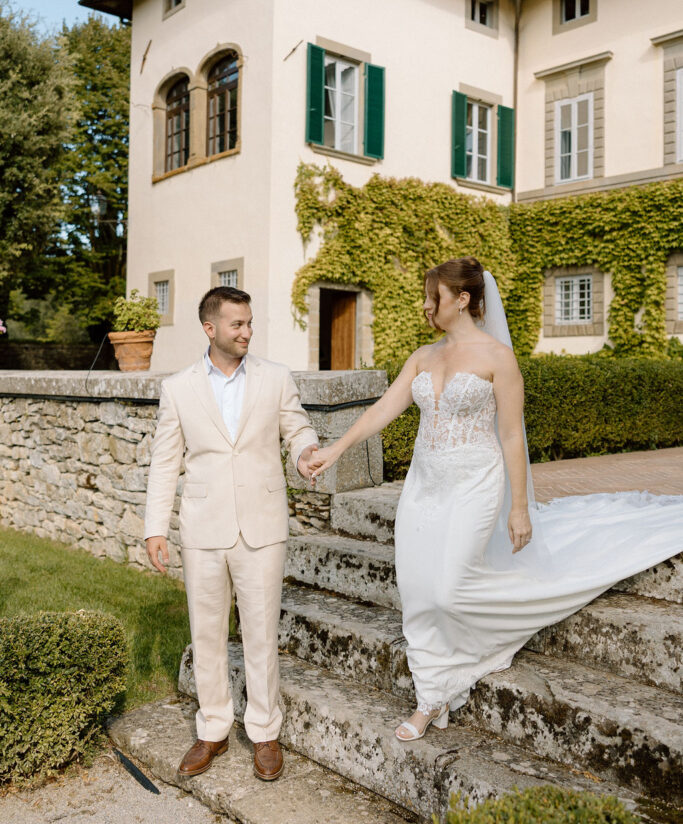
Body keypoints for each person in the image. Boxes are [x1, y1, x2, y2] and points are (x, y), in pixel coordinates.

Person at [308, 257, 683, 742]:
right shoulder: (422, 357)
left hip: (474, 485)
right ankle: (431, 696)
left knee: (448, 588)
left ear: (462, 300)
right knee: (418, 589)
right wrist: (333, 450)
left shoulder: (497, 359)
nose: (425, 306)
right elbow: (383, 409)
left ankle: (495, 633)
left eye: (433, 298)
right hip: (423, 487)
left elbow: (510, 436)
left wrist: (519, 507)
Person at [144, 286, 318, 779]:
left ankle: (264, 733)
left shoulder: (276, 377)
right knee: (206, 633)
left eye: (249, 323)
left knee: (261, 633)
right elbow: (164, 462)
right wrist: (156, 527)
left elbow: (297, 427)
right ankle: (213, 729)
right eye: (236, 324)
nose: (246, 332)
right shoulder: (178, 388)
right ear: (210, 328)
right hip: (202, 527)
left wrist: (306, 451)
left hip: (261, 526)